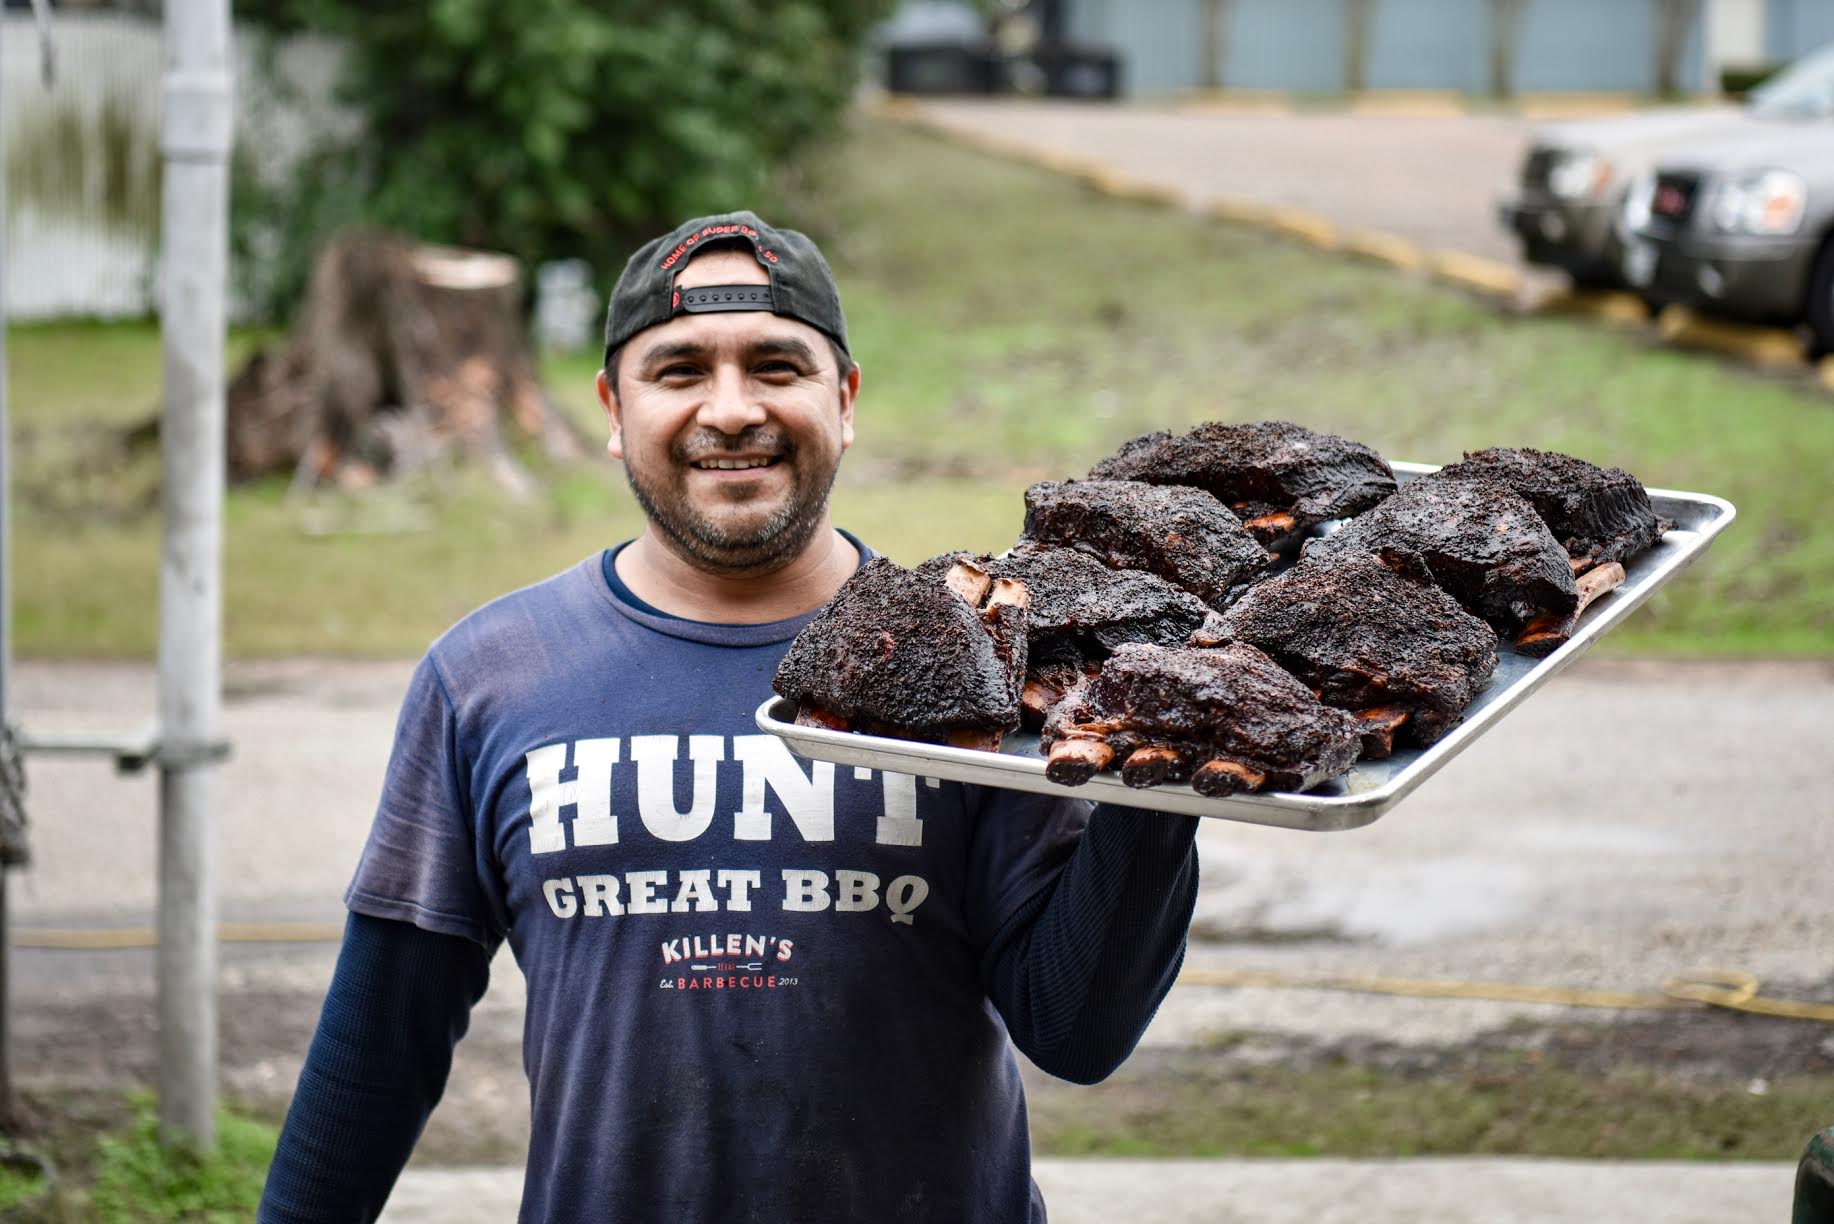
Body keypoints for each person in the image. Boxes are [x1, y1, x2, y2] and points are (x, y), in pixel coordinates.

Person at [258, 211, 1201, 1224]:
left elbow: (1075, 1030)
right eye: (678, 371)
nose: (732, 408)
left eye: (776, 365)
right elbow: (378, 1046)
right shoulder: (492, 678)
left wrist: (1162, 769)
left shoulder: (984, 661)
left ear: (843, 402)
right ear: (613, 409)